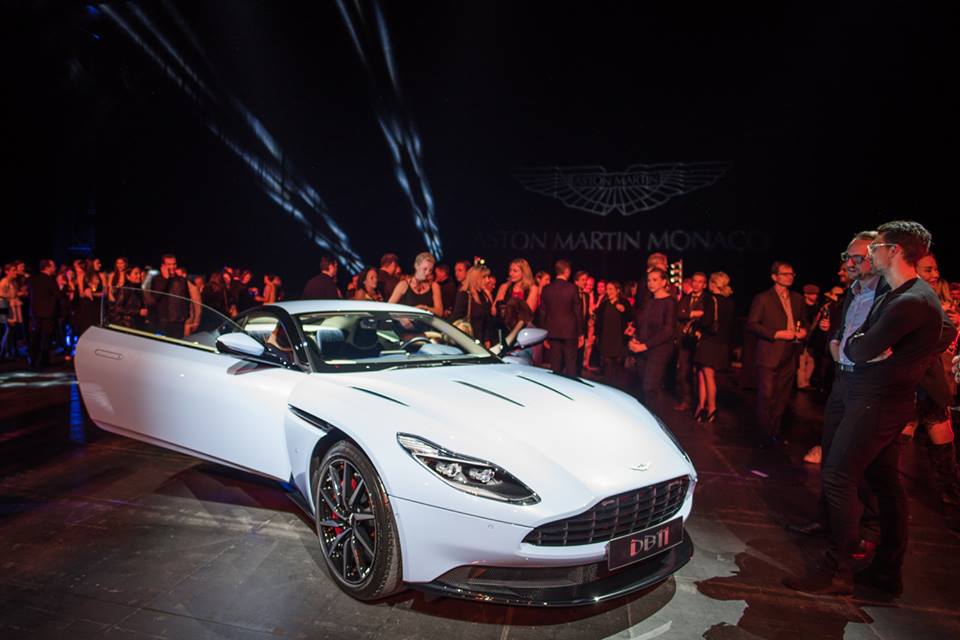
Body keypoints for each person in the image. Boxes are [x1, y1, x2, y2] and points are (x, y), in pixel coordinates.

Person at [785, 221, 955, 597]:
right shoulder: (892, 293)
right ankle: (885, 572)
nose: (857, 259)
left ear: (893, 251)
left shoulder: (907, 297)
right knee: (883, 481)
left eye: (872, 249)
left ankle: (837, 569)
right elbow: (854, 340)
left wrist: (889, 353)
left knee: (838, 476)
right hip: (865, 389)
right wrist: (863, 346)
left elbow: (858, 348)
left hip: (876, 395)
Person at [747, 261, 808, 447]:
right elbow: (752, 324)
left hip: (790, 353)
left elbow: (804, 321)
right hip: (769, 353)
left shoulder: (797, 298)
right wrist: (776, 334)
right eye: (785, 274)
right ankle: (763, 435)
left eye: (792, 274)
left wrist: (804, 331)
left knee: (782, 397)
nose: (789, 277)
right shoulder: (763, 298)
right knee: (766, 396)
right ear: (774, 277)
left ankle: (774, 432)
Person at [627, 268, 677, 403]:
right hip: (642, 348)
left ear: (664, 282)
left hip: (659, 349)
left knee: (650, 387)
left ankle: (656, 415)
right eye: (649, 280)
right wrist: (634, 338)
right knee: (641, 387)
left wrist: (645, 345)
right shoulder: (648, 301)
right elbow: (640, 324)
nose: (651, 283)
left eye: (655, 280)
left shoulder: (670, 302)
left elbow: (668, 331)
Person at [694, 272, 735, 423]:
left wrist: (697, 323)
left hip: (709, 342)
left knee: (707, 376)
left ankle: (711, 408)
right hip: (722, 343)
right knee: (704, 375)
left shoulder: (710, 299)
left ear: (712, 284)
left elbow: (707, 322)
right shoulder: (730, 302)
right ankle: (701, 407)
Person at [538, 259, 583, 376]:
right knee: (571, 365)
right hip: (570, 332)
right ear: (567, 271)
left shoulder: (546, 289)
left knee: (555, 366)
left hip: (552, 331)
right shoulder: (572, 288)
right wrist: (581, 333)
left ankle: (556, 386)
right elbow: (578, 312)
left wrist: (543, 333)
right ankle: (571, 386)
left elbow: (542, 312)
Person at [675, 272, 712, 412]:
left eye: (700, 282)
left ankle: (702, 402)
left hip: (700, 341)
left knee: (701, 374)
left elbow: (707, 317)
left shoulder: (708, 299)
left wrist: (690, 314)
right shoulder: (686, 298)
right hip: (685, 340)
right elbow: (679, 313)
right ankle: (687, 400)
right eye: (694, 281)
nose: (696, 284)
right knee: (684, 372)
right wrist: (693, 313)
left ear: (705, 285)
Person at [594, 281, 630, 387]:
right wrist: (596, 335)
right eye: (607, 289)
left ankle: (617, 387)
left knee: (618, 365)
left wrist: (624, 310)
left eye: (611, 289)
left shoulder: (624, 302)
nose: (608, 292)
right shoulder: (604, 304)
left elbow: (631, 316)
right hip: (606, 338)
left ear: (617, 290)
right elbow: (598, 321)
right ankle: (608, 386)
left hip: (619, 338)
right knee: (607, 365)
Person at [451, 264, 494, 346]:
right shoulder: (465, 295)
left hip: (480, 342)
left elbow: (487, 321)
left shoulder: (485, 296)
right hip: (467, 341)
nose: (488, 280)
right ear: (475, 278)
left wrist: (487, 339)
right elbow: (456, 317)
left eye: (488, 277)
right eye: (484, 277)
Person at [148, 254, 189, 338]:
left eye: (174, 264)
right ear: (163, 266)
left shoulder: (182, 280)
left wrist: (186, 317)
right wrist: (165, 279)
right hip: (163, 321)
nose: (172, 267)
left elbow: (187, 300)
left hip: (179, 322)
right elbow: (155, 297)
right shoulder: (157, 279)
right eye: (169, 264)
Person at [28, 260, 59, 369]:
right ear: (47, 267)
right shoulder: (50, 280)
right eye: (53, 266)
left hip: (35, 312)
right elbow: (57, 294)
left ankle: (33, 360)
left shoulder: (33, 279)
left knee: (35, 337)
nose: (55, 268)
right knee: (46, 337)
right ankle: (43, 361)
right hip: (48, 313)